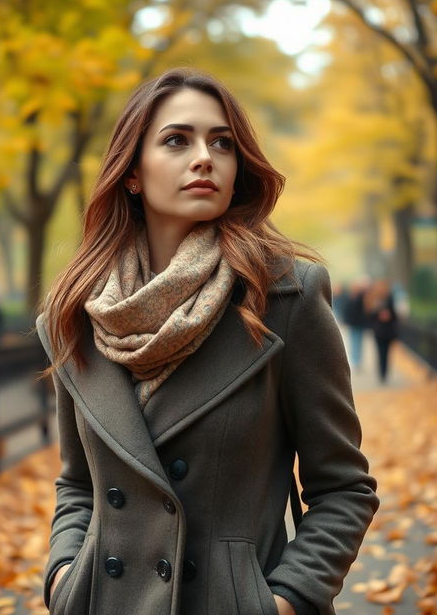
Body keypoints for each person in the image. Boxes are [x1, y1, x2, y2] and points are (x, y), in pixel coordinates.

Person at [36, 69, 379, 615]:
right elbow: (79, 485)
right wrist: (62, 578)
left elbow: (343, 488)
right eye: (177, 140)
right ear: (131, 173)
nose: (205, 157)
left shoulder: (284, 299)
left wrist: (285, 600)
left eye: (221, 142)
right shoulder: (77, 315)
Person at [364, 279, 398, 383]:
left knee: (385, 352)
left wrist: (389, 316)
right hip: (379, 330)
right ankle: (382, 373)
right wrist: (379, 315)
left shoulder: (390, 298)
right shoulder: (374, 299)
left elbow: (394, 314)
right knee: (381, 352)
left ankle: (384, 373)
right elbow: (369, 315)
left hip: (387, 330)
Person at [342, 277, 370, 372]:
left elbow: (365, 311)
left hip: (360, 323)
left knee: (359, 342)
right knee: (354, 341)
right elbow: (347, 310)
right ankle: (355, 361)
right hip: (353, 323)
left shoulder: (362, 297)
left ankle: (358, 361)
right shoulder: (350, 296)